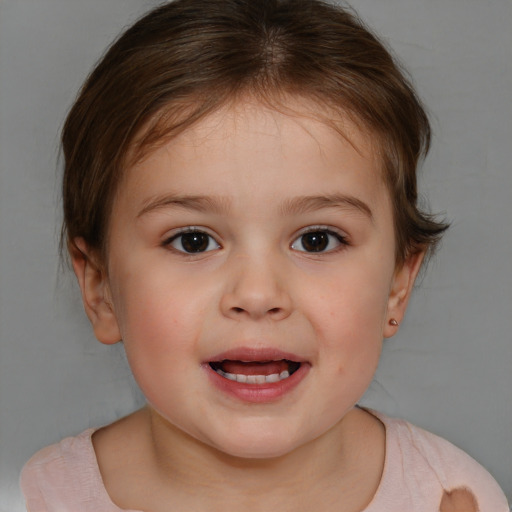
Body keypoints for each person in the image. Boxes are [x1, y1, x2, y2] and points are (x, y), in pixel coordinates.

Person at [20, 0, 509, 510]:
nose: (257, 295)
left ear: (397, 284)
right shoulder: (39, 498)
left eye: (318, 239)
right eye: (193, 240)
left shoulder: (452, 498)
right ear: (100, 287)